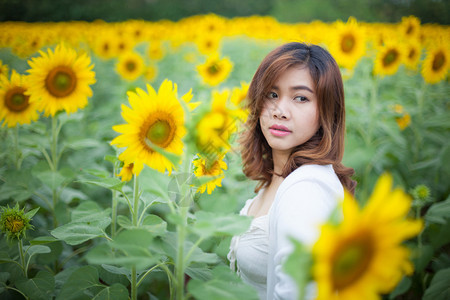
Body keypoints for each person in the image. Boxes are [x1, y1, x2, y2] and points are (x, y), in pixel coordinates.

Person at [228, 42, 356, 300]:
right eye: (272, 95)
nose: (280, 111)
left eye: (301, 98)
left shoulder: (304, 191)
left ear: (326, 111)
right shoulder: (280, 178)